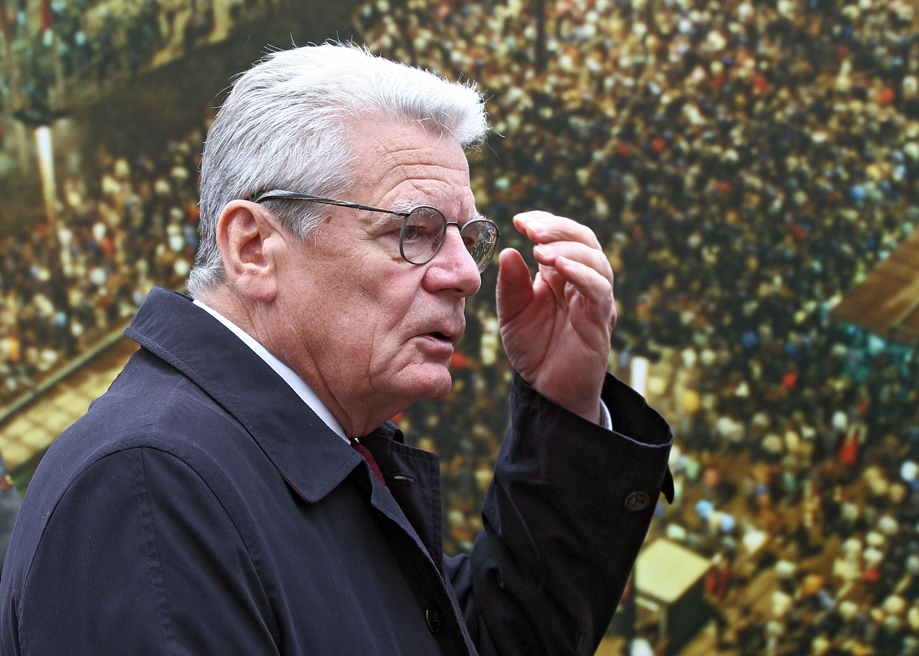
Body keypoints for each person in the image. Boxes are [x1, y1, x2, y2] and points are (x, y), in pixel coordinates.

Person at [0, 43, 673, 655]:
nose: (466, 274)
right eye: (415, 231)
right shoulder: (147, 490)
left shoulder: (309, 447)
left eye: (468, 237)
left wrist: (563, 408)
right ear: (254, 248)